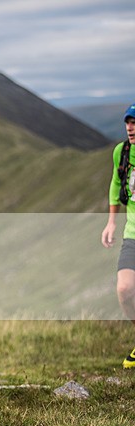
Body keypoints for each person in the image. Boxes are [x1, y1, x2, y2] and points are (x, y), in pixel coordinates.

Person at [101, 103, 135, 367]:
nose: (130, 128)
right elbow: (115, 183)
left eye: (134, 122)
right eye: (127, 122)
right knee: (124, 289)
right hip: (132, 233)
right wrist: (111, 222)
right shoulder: (121, 153)